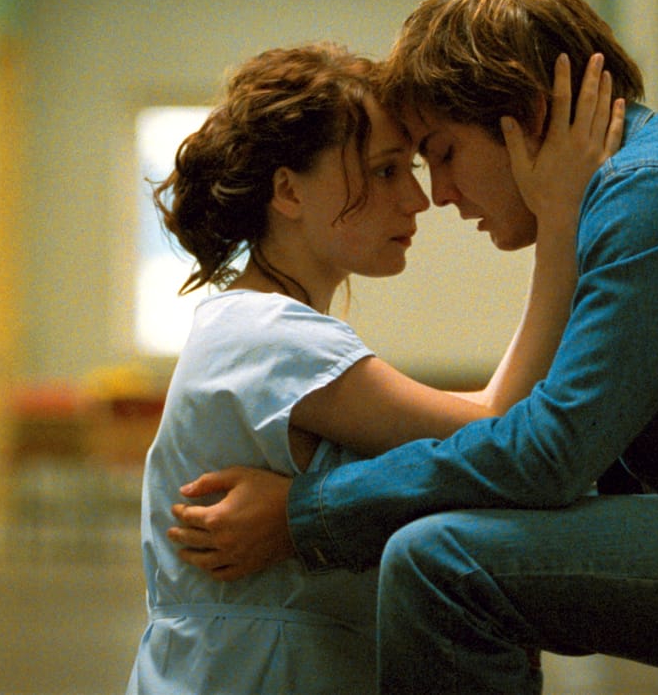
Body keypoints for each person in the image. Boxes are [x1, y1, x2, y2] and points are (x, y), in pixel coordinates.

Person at [167, 0, 658, 695]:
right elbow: (555, 444)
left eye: (442, 153)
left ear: (529, 115)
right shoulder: (648, 182)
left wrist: (306, 515)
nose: (438, 194)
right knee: (457, 533)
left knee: (443, 563)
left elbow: (550, 454)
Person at [126, 40, 623, 694]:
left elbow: (479, 419)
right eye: (386, 171)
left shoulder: (248, 324)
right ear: (288, 190)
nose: (418, 199)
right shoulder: (273, 337)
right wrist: (559, 220)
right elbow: (497, 426)